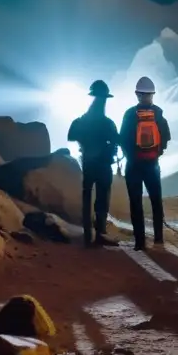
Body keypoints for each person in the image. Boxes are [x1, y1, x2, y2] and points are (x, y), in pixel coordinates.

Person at [119, 76, 171, 251]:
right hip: (152, 164)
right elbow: (166, 137)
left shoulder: (129, 114)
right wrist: (157, 152)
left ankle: (140, 242)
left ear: (137, 94)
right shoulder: (158, 113)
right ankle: (158, 239)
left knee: (136, 203)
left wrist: (129, 155)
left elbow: (123, 139)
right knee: (156, 201)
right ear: (152, 94)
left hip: (133, 165)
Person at [68, 80, 120, 248]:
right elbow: (116, 141)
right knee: (101, 198)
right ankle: (98, 234)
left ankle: (88, 235)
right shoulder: (107, 123)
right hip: (102, 164)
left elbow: (71, 135)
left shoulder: (82, 120)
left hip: (89, 163)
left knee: (88, 196)